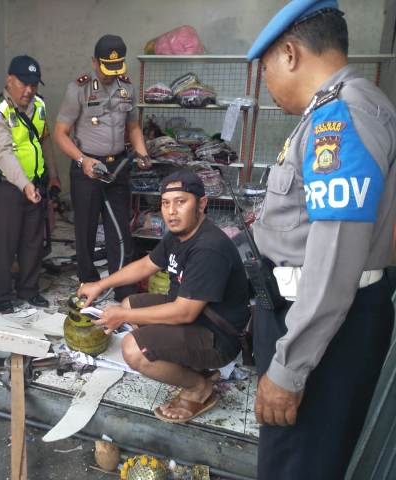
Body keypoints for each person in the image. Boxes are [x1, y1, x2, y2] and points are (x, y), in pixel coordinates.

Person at [247, 1, 396, 478]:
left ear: (290, 54)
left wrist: (289, 369)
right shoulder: (339, 110)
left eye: (266, 68)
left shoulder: (341, 119)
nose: (267, 85)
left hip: (324, 332)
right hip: (317, 320)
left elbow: (334, 261)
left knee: (296, 465)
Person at [78, 170, 249, 423]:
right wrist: (100, 284)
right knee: (129, 302)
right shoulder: (180, 234)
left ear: (201, 204)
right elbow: (147, 264)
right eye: (166, 204)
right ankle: (188, 364)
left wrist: (123, 316)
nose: (171, 212)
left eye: (181, 202)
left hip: (217, 337)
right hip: (195, 315)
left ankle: (198, 386)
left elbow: (184, 312)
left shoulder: (208, 248)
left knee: (133, 350)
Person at [54, 34, 151, 301]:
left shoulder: (127, 87)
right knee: (84, 229)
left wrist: (141, 152)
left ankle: (123, 289)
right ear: (95, 62)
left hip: (117, 167)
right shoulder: (78, 89)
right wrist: (82, 160)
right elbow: (60, 133)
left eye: (117, 67)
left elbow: (132, 127)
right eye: (106, 68)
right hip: (86, 167)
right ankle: (88, 282)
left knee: (119, 229)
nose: (111, 74)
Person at [0, 55, 61, 313]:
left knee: (32, 242)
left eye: (34, 84)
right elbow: (3, 153)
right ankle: (1, 295)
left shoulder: (40, 106)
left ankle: (28, 289)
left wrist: (54, 175)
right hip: (5, 188)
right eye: (24, 83)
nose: (29, 90)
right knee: (3, 245)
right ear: (9, 80)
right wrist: (24, 185)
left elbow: (44, 140)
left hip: (34, 184)